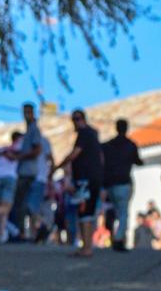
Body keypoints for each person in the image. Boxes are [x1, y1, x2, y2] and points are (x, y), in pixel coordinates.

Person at [57, 109, 105, 257]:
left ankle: (86, 247)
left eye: (76, 120)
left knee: (84, 212)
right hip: (94, 179)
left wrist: (58, 166)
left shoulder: (84, 134)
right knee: (89, 213)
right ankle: (87, 245)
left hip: (85, 179)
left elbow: (75, 153)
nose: (75, 124)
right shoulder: (94, 135)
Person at [101, 118, 143, 251]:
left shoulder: (107, 146)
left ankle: (116, 236)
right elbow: (138, 161)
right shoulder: (130, 145)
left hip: (110, 183)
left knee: (117, 211)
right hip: (123, 182)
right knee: (123, 212)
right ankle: (119, 238)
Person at [11, 102, 46, 237]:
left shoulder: (34, 130)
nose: (26, 115)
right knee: (24, 203)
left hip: (28, 171)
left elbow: (37, 150)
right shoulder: (28, 130)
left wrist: (21, 156)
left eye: (28, 112)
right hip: (25, 170)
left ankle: (25, 231)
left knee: (22, 203)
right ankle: (34, 229)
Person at [0, 132, 22, 243]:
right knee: (6, 206)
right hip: (9, 177)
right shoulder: (16, 147)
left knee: (3, 206)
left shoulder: (1, 149)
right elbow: (14, 157)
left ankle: (2, 233)